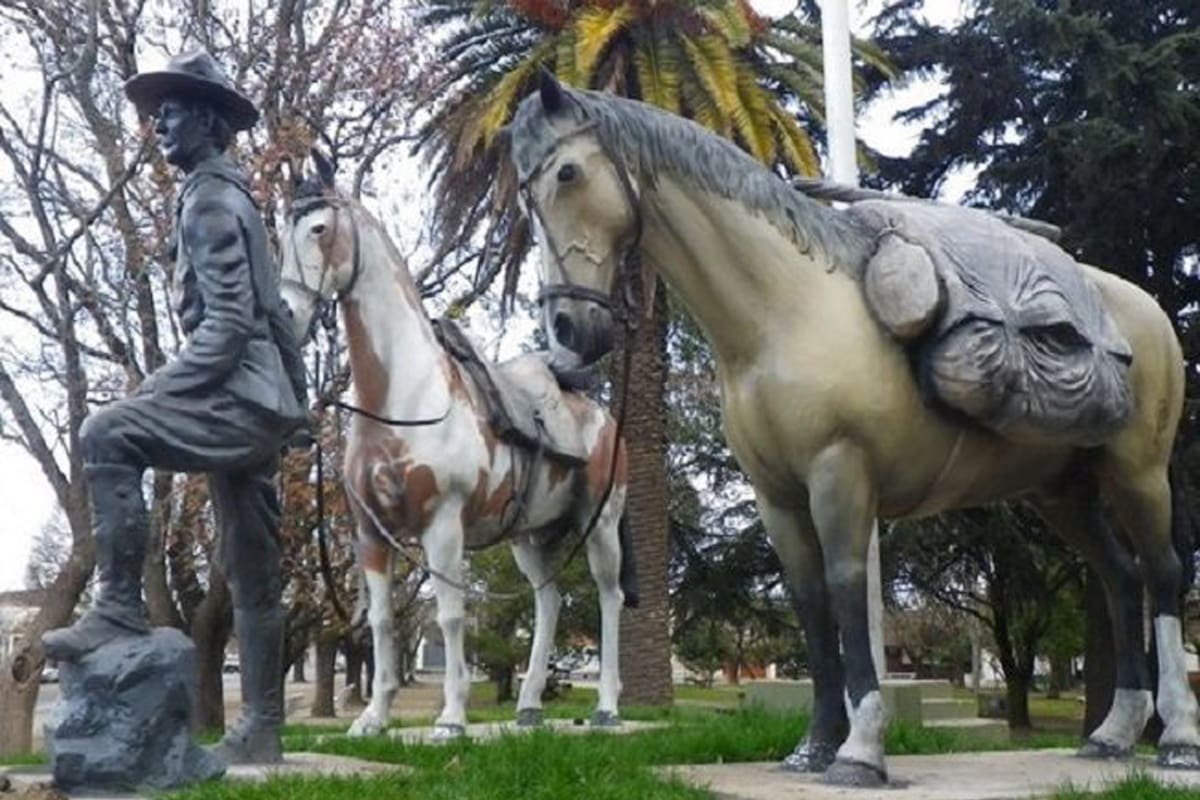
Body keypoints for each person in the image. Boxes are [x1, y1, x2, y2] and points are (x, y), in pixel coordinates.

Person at [42, 50, 308, 764]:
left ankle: (119, 606)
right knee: (252, 568)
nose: (159, 121)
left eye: (174, 109)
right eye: (157, 110)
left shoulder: (215, 199)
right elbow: (275, 309)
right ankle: (264, 731)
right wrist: (300, 401)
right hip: (261, 399)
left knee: (108, 432)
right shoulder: (228, 194)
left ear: (210, 120)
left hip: (239, 396)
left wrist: (155, 392)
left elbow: (225, 327)